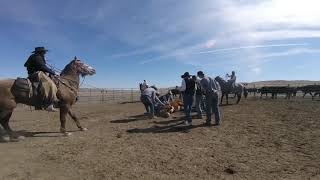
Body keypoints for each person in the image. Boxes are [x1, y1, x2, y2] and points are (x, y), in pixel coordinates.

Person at [24, 47, 58, 112]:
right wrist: (53, 72)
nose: (45, 53)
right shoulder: (37, 57)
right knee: (50, 83)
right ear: (40, 52)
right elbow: (42, 67)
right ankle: (49, 105)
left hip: (32, 73)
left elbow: (25, 64)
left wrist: (37, 63)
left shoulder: (33, 57)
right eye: (44, 52)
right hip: (36, 73)